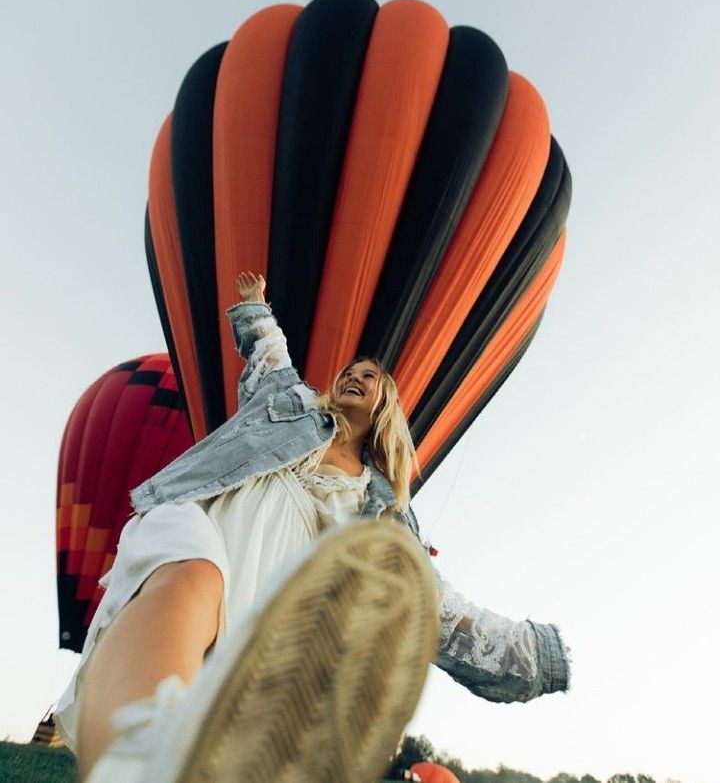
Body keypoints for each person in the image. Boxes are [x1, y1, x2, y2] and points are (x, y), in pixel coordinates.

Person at [54, 272, 570, 783]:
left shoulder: (381, 509)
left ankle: (182, 757)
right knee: (191, 579)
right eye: (352, 370)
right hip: (208, 518)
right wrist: (257, 306)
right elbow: (269, 357)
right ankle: (137, 759)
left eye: (370, 378)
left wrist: (537, 655)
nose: (355, 377)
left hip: (269, 595)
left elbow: (434, 607)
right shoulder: (291, 404)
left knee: (223, 703)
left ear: (385, 405)